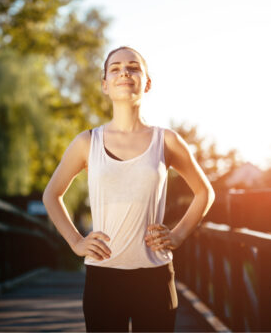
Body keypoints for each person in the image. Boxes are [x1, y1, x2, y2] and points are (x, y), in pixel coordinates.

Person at [42, 46, 215, 332]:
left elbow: (205, 192)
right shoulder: (87, 142)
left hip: (155, 275)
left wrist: (179, 234)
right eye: (116, 68)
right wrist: (75, 241)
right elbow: (52, 194)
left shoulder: (167, 140)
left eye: (133, 67)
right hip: (103, 276)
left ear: (146, 83)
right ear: (105, 85)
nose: (125, 72)